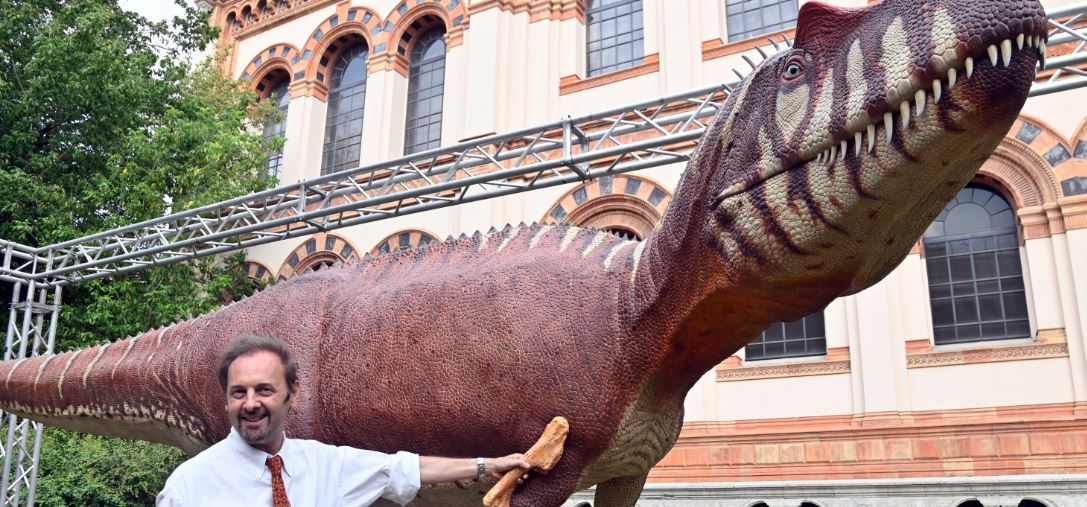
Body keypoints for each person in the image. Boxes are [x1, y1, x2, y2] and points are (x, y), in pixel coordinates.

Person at [157, 335, 532, 506]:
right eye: (239, 392)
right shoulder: (189, 488)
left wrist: (489, 465)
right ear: (226, 400)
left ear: (293, 393)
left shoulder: (325, 464)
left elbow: (401, 469)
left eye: (264, 390)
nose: (251, 403)